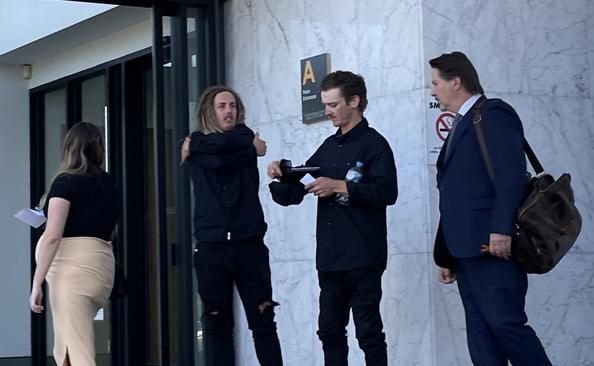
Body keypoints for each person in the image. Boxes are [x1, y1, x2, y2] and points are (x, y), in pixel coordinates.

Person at [267, 71, 398, 366]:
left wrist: (341, 186)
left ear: (355, 101)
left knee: (368, 333)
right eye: (325, 105)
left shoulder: (375, 144)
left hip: (364, 256)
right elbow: (299, 185)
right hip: (329, 258)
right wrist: (281, 172)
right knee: (329, 331)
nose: (327, 112)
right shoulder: (329, 146)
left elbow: (387, 192)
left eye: (333, 105)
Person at [430, 51, 552, 366]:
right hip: (464, 250)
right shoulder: (460, 124)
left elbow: (510, 176)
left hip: (491, 244)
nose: (432, 91)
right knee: (480, 333)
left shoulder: (494, 113)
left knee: (505, 324)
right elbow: (454, 196)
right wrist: (446, 254)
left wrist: (500, 229)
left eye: (436, 83)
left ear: (455, 81)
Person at [182, 85, 282, 366]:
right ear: (209, 111)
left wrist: (248, 146)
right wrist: (251, 151)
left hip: (249, 243)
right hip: (211, 247)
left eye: (232, 106)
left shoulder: (240, 137)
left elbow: (228, 145)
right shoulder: (217, 144)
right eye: (222, 106)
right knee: (217, 325)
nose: (229, 111)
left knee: (263, 322)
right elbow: (218, 154)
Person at [29, 122, 119, 366]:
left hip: (72, 273)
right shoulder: (108, 183)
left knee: (79, 351)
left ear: (68, 147)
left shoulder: (66, 182)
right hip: (100, 268)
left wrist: (37, 283)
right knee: (68, 344)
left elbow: (52, 235)